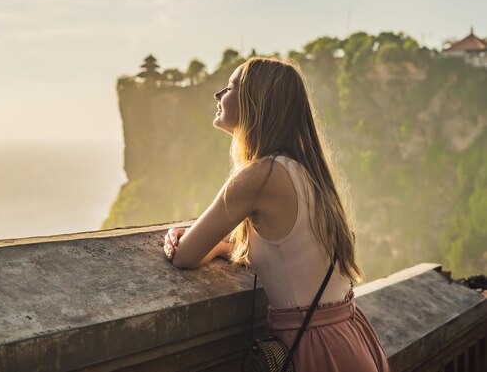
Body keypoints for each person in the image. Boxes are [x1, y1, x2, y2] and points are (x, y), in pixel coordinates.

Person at [162, 57, 389, 372]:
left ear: (255, 103)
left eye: (229, 88)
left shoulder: (260, 176)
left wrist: (179, 238)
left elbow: (185, 254)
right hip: (348, 335)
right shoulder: (306, 171)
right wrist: (226, 247)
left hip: (316, 346)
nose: (218, 96)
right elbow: (292, 256)